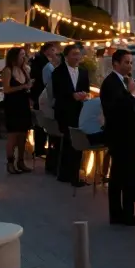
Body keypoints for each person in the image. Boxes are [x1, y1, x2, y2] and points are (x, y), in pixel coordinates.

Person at [100, 49, 135, 225]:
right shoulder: (111, 83)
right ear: (115, 63)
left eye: (131, 62)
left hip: (126, 136)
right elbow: (117, 110)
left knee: (120, 176)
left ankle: (120, 213)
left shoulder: (123, 82)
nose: (129, 66)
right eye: (126, 62)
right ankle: (124, 214)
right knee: (124, 176)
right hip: (121, 137)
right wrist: (132, 94)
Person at [51, 43, 90, 187]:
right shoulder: (58, 72)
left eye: (78, 54)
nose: (77, 57)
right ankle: (66, 174)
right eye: (73, 54)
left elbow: (85, 89)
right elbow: (57, 93)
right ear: (66, 56)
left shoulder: (84, 72)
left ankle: (75, 174)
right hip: (64, 112)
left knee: (77, 143)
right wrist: (72, 96)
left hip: (79, 112)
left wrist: (83, 95)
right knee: (68, 143)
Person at [0, 47, 34, 175]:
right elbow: (7, 89)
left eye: (24, 55)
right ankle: (10, 162)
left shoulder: (24, 70)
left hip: (23, 104)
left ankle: (21, 161)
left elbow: (28, 84)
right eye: (21, 55)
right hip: (12, 105)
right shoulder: (7, 71)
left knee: (23, 135)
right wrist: (23, 86)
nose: (23, 58)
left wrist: (29, 85)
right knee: (13, 136)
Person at [30, 41, 60, 162]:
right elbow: (48, 84)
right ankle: (42, 149)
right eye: (53, 50)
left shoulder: (41, 62)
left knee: (41, 124)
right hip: (44, 99)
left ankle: (41, 149)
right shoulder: (46, 65)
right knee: (43, 125)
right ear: (47, 50)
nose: (55, 53)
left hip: (40, 98)